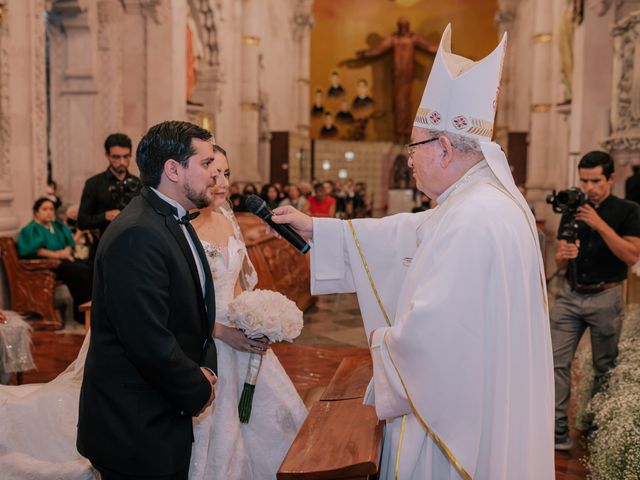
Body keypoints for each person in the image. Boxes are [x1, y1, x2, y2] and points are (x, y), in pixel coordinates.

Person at [273, 24, 554, 479]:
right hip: (484, 401)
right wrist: (323, 232)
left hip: (457, 419)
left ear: (444, 148)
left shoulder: (473, 216)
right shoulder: (478, 203)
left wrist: (383, 343)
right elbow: (409, 233)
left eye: (414, 148)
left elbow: (437, 339)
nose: (409, 160)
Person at [77, 121, 218, 479]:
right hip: (135, 426)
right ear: (173, 169)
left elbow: (196, 310)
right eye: (205, 163)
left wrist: (209, 367)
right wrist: (197, 386)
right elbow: (146, 339)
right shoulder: (138, 232)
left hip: (160, 412)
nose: (214, 174)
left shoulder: (169, 221)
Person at [190, 145, 307, 479]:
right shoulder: (183, 226)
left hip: (239, 331)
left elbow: (237, 281)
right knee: (220, 425)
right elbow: (179, 302)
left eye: (226, 174)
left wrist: (252, 318)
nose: (222, 183)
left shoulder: (227, 216)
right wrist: (222, 331)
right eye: (213, 174)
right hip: (206, 336)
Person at [550, 151, 640, 450]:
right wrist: (563, 256)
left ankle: (596, 426)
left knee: (605, 364)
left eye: (596, 180)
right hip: (570, 295)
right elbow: (561, 260)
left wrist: (599, 224)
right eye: (584, 180)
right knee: (556, 362)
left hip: (606, 295)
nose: (589, 187)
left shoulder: (628, 210)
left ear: (611, 178)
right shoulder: (572, 206)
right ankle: (557, 430)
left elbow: (631, 255)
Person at [356, 16, 436, 139]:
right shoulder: (394, 38)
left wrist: (442, 50)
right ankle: (400, 131)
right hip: (398, 76)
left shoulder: (412, 38)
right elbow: (378, 49)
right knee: (398, 103)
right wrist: (365, 53)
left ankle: (404, 130)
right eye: (401, 25)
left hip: (407, 75)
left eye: (404, 25)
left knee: (405, 102)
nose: (403, 27)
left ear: (407, 26)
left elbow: (428, 47)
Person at [16, 197, 93, 323]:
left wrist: (67, 251)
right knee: (80, 271)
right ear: (36, 212)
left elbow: (69, 242)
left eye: (51, 209)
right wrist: (59, 255)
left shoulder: (56, 225)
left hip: (63, 260)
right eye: (44, 209)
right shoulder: (32, 229)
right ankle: (81, 315)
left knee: (91, 267)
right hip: (47, 264)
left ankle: (90, 310)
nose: (49, 212)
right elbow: (36, 251)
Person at [77, 133, 141, 237]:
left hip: (134, 242)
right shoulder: (93, 183)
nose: (122, 162)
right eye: (116, 157)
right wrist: (105, 216)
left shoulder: (138, 183)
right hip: (103, 245)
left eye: (126, 156)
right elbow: (82, 222)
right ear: (107, 155)